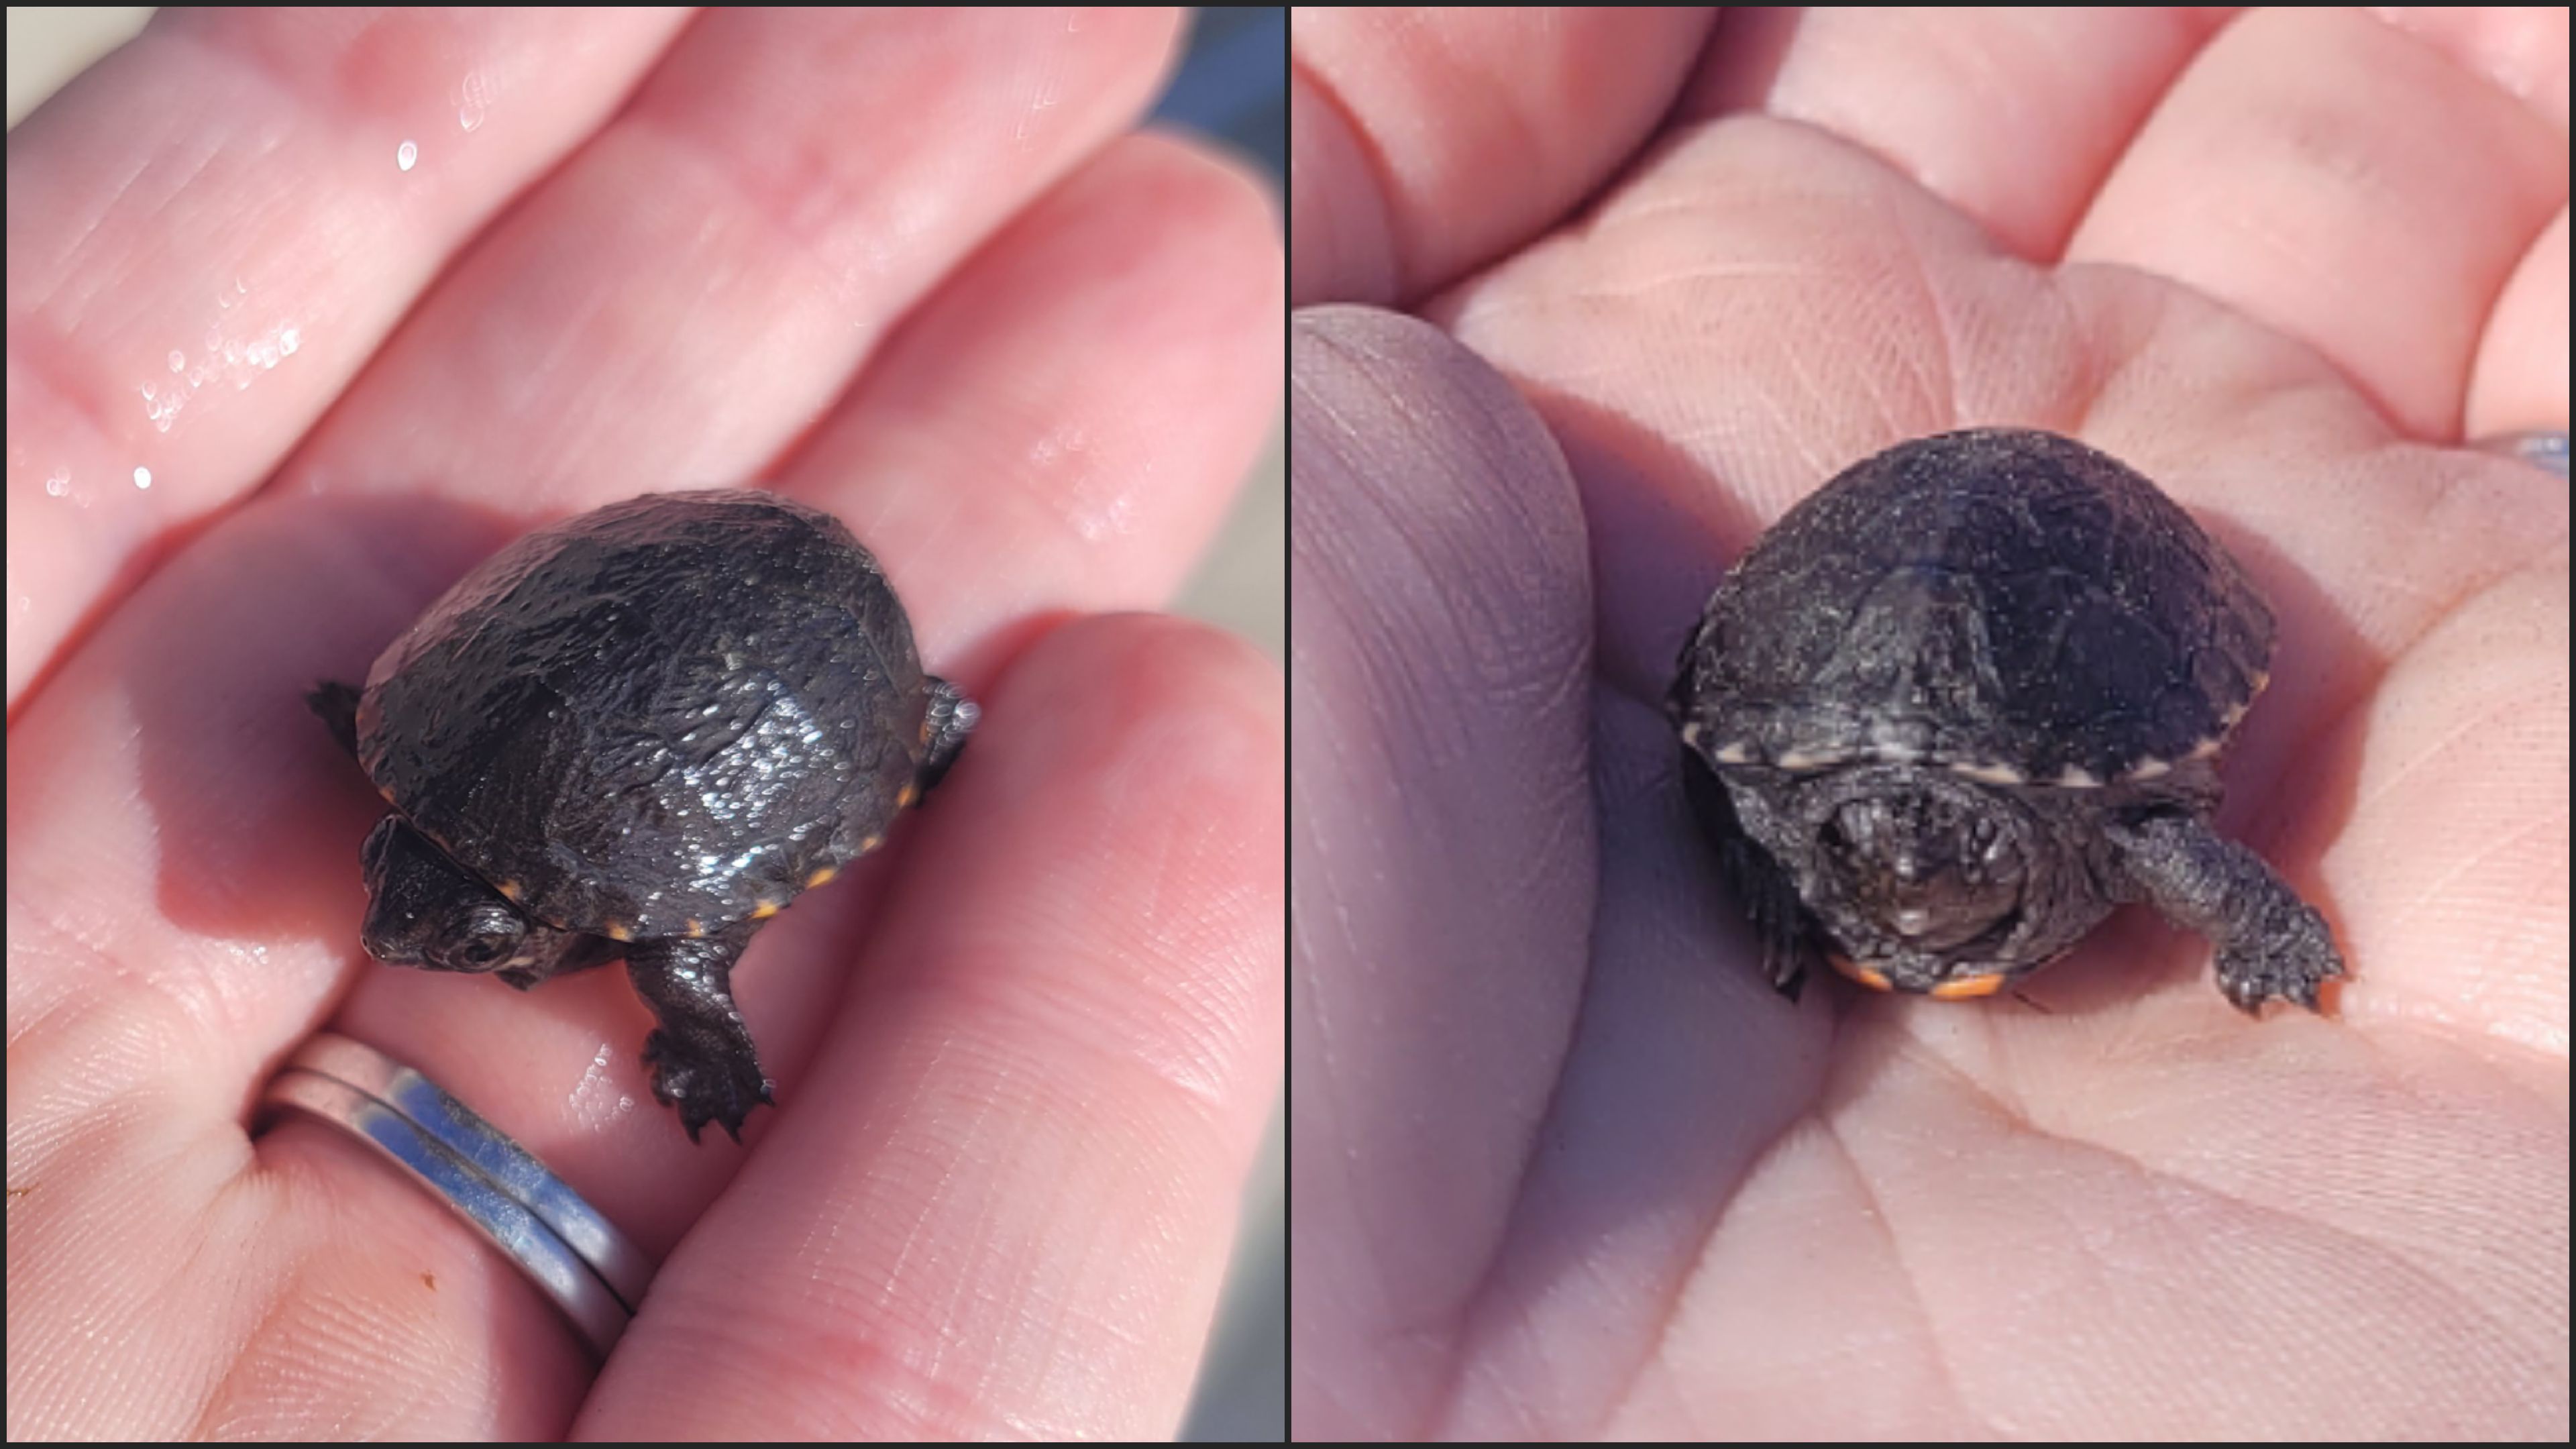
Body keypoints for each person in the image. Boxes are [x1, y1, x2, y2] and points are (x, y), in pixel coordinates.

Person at [1290, 8, 2567, 1438]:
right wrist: (1770, 878)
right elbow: (1726, 776)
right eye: (1873, 840)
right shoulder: (1785, 798)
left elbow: (2167, 845)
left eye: (1942, 839)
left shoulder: (2094, 822)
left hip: (2083, 604)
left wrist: (2271, 931)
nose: (1903, 853)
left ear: (2013, 844)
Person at [7, 9, 1282, 1439]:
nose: (392, 931)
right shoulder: (406, 747)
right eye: (399, 887)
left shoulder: (552, 854)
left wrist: (706, 1044)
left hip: (821, 670)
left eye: (458, 936)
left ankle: (911, 732)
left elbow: (680, 954)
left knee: (891, 763)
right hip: (699, 577)